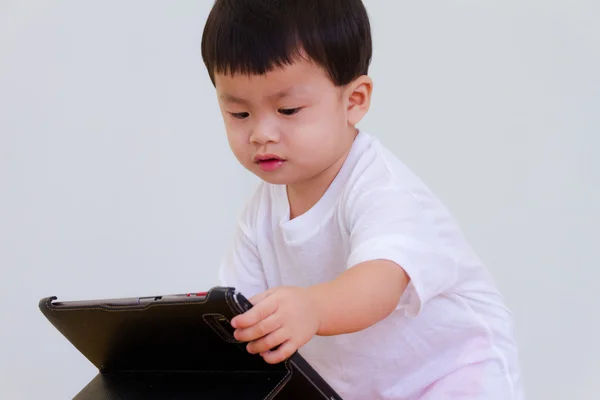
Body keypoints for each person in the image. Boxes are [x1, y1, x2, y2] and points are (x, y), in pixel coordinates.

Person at [201, 0, 524, 398]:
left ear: (354, 101)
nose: (261, 133)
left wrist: (312, 308)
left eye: (287, 109)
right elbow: (238, 309)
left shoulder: (381, 188)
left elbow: (379, 284)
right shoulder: (259, 214)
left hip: (452, 374)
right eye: (239, 114)